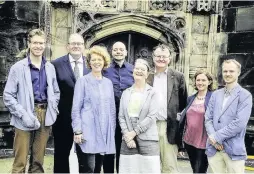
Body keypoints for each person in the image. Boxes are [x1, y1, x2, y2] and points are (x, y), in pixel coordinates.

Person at [3, 29, 60, 173]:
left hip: (45, 115)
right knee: (20, 162)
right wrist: (22, 114)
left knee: (38, 162)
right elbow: (8, 96)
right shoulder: (18, 68)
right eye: (35, 42)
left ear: (45, 44)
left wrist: (52, 109)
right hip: (24, 114)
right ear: (29, 44)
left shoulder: (50, 67)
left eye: (41, 43)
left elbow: (56, 91)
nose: (38, 46)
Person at [72, 45, 116, 173]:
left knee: (98, 169)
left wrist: (111, 131)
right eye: (94, 60)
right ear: (89, 63)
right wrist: (77, 130)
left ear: (105, 62)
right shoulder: (82, 81)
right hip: (87, 132)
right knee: (88, 168)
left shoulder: (108, 83)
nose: (97, 62)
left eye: (100, 59)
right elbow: (76, 108)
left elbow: (111, 110)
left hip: (104, 133)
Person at [205, 59, 252, 173]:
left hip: (233, 150)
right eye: (225, 71)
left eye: (231, 71)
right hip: (214, 149)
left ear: (238, 73)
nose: (228, 74)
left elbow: (239, 123)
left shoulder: (245, 96)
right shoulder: (216, 94)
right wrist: (214, 140)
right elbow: (208, 119)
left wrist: (216, 137)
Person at [51, 33, 90, 173]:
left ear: (84, 47)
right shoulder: (55, 64)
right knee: (61, 156)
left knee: (85, 157)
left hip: (85, 120)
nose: (76, 46)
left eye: (79, 44)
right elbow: (51, 92)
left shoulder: (90, 64)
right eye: (73, 43)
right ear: (67, 46)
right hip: (63, 119)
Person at [147, 44, 188, 173]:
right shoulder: (147, 76)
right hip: (149, 126)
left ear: (169, 59)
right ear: (153, 58)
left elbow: (183, 104)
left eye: (164, 57)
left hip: (168, 126)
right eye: (158, 56)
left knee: (169, 167)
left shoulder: (178, 77)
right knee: (150, 166)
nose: (161, 59)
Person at [95, 41, 134, 173]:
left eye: (121, 49)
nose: (118, 52)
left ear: (126, 52)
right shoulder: (104, 70)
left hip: (127, 118)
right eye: (116, 49)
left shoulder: (133, 70)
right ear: (111, 52)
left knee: (124, 151)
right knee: (109, 150)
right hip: (108, 117)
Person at [118, 59, 160, 173]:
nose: (139, 71)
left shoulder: (153, 93)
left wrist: (133, 133)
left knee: (148, 170)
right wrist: (127, 135)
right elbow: (121, 116)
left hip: (148, 139)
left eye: (143, 69)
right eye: (137, 68)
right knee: (129, 170)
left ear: (147, 74)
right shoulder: (126, 92)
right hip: (128, 140)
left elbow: (151, 116)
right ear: (133, 71)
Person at [178, 70, 215, 173]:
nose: (200, 82)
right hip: (189, 141)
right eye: (198, 80)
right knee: (195, 169)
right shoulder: (190, 98)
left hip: (204, 142)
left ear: (209, 82)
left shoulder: (214, 98)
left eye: (203, 80)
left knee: (200, 170)